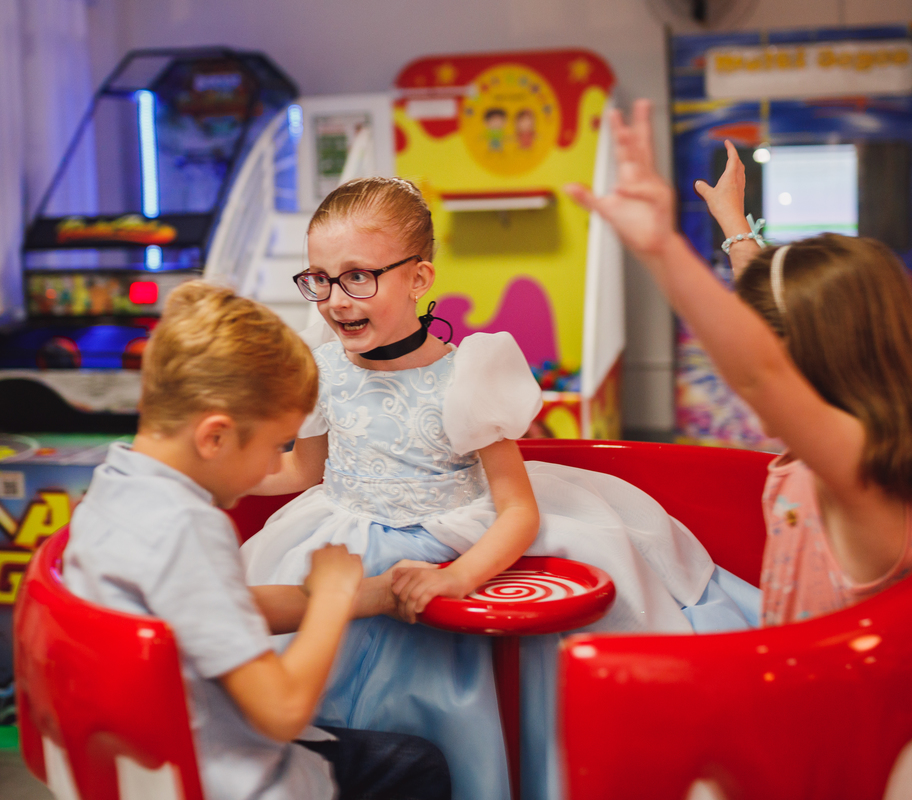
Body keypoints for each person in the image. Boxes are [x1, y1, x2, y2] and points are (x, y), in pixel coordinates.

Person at [241, 176, 759, 800]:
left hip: (452, 544)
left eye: (358, 276)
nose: (334, 300)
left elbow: (517, 510)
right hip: (340, 536)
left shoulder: (468, 374)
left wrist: (459, 577)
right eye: (318, 279)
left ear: (419, 279)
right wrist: (210, 475)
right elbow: (304, 472)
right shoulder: (320, 368)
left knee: (446, 704)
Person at [566, 100, 912, 627]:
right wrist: (734, 225)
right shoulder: (891, 433)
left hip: (825, 695)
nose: (742, 382)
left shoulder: (859, 471)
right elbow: (772, 326)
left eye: (770, 348)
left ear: (822, 357)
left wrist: (660, 248)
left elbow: (759, 372)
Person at [63, 281, 450, 800]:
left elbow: (228, 608)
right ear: (214, 436)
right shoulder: (186, 529)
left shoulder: (113, 491)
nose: (275, 466)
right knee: (417, 763)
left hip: (145, 761)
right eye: (274, 445)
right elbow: (282, 712)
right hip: (226, 778)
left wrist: (376, 593)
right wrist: (332, 600)